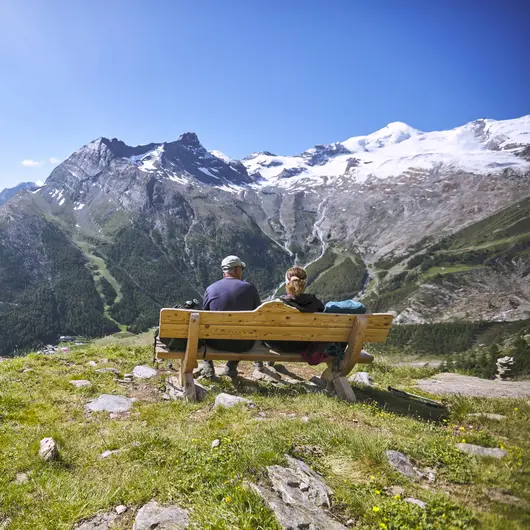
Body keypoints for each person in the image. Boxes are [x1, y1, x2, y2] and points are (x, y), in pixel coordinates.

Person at [199, 255, 263, 378]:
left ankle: (208, 368)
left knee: (201, 330)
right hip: (244, 344)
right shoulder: (250, 288)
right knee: (243, 332)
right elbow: (258, 316)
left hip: (214, 342)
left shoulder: (211, 289)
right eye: (241, 269)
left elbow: (204, 316)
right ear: (237, 270)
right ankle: (231, 367)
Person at [265, 266, 324, 357]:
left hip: (279, 345)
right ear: (304, 284)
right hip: (305, 346)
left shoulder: (278, 304)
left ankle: (266, 365)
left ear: (287, 282)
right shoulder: (316, 303)